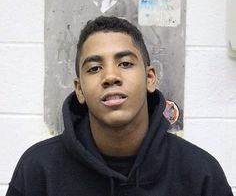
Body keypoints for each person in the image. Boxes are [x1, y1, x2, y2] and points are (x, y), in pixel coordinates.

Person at [6, 16, 233, 196]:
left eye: (125, 63)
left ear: (150, 77)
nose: (110, 76)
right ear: (79, 89)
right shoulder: (38, 169)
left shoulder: (201, 173)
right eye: (94, 68)